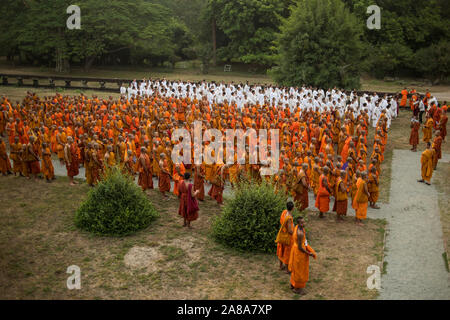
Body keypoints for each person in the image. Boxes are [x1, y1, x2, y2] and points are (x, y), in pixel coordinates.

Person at [288, 216, 317, 295]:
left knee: (295, 268)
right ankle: (297, 288)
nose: (304, 224)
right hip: (299, 253)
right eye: (302, 223)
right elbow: (300, 247)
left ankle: (292, 284)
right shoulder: (300, 233)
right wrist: (309, 253)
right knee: (299, 270)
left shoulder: (297, 227)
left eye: (304, 222)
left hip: (296, 250)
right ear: (298, 223)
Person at [276, 201, 295, 273]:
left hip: (282, 235)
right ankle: (287, 269)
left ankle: (281, 266)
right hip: (287, 237)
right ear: (293, 208)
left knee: (281, 250)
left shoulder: (284, 212)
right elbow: (290, 230)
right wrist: (295, 233)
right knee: (287, 252)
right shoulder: (289, 218)